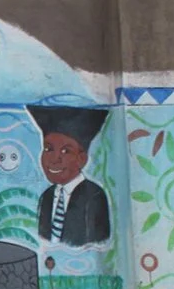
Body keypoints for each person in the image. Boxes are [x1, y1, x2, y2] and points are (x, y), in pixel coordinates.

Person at [28, 105, 112, 249]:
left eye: (66, 151)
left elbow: (98, 244)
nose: (54, 159)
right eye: (48, 149)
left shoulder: (94, 196)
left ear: (82, 159)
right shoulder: (47, 196)